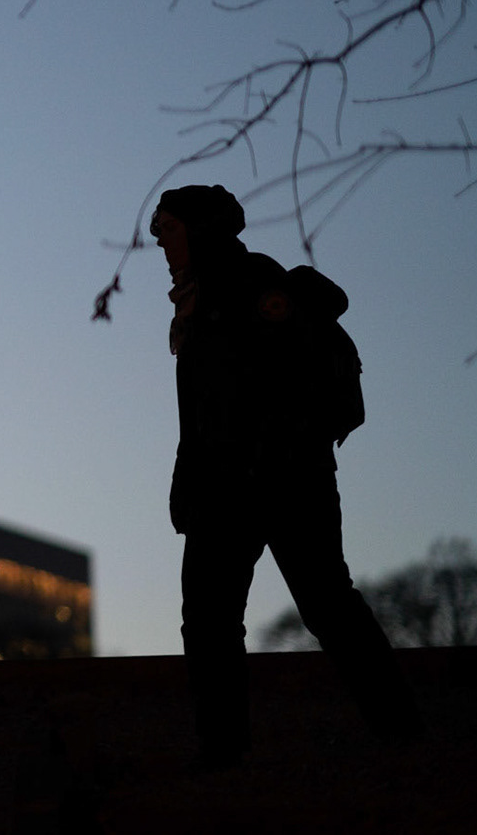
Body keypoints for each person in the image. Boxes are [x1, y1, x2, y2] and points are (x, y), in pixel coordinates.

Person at [150, 184, 421, 768]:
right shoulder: (198, 300)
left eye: (168, 228)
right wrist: (188, 479)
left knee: (320, 606)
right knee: (215, 618)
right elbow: (203, 411)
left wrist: (250, 462)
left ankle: (402, 732)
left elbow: (275, 387)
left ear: (200, 229)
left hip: (281, 480)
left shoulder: (251, 285)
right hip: (228, 485)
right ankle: (225, 755)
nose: (159, 241)